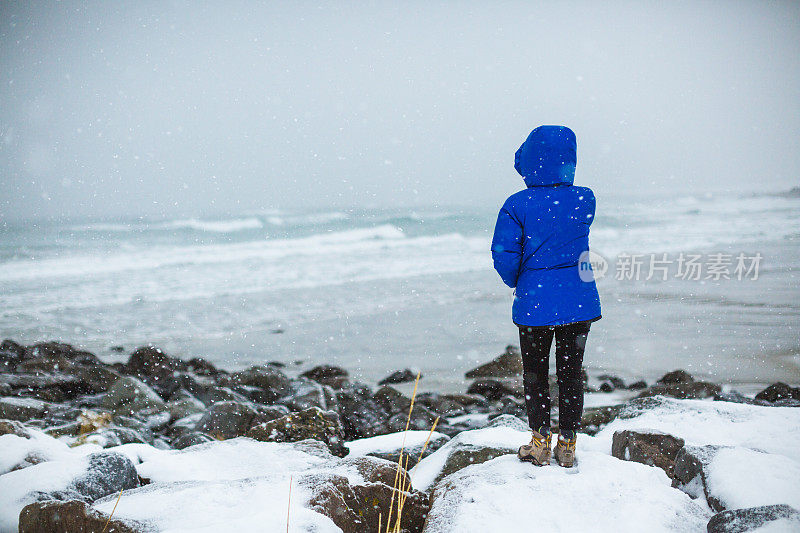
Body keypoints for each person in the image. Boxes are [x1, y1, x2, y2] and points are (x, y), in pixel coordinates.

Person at [491, 125, 601, 467]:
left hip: (534, 304)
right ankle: (567, 445)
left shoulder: (516, 204)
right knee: (571, 373)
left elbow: (503, 254)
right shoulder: (585, 197)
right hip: (578, 300)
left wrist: (517, 281)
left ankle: (539, 444)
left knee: (535, 374)